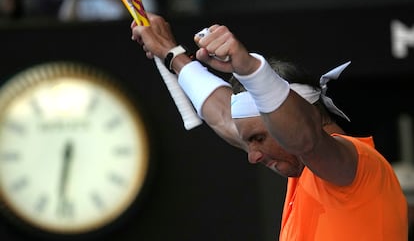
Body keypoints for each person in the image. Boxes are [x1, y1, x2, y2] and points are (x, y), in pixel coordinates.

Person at [131, 13, 408, 240]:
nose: (252, 156)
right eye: (250, 141)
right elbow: (226, 118)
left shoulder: (353, 163)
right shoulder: (305, 168)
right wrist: (171, 54)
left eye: (259, 138)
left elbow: (304, 139)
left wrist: (249, 67)